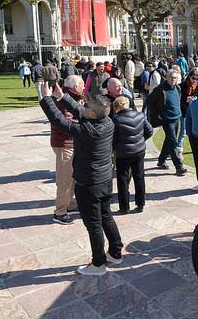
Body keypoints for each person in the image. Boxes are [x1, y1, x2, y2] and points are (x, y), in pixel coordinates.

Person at [39, 83, 123, 276]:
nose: (83, 107)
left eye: (87, 106)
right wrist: (62, 97)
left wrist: (46, 99)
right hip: (104, 180)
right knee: (106, 216)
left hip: (88, 185)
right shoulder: (108, 122)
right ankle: (116, 253)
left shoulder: (87, 131)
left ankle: (98, 264)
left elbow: (59, 121)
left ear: (93, 114)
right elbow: (80, 112)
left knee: (93, 224)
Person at [49, 75, 85, 225]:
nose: (84, 88)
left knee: (72, 177)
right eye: (82, 85)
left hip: (71, 143)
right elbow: (65, 123)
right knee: (64, 180)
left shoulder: (71, 97)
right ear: (75, 87)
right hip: (65, 144)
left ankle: (69, 204)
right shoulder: (63, 99)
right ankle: (60, 212)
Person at [112, 96, 153, 214]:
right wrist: (140, 140)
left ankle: (124, 207)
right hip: (139, 152)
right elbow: (149, 130)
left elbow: (113, 139)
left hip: (123, 154)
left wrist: (115, 148)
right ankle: (141, 204)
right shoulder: (140, 115)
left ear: (116, 108)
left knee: (122, 179)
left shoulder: (116, 120)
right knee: (139, 177)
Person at [148, 69, 187, 175]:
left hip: (177, 118)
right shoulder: (160, 89)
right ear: (167, 77)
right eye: (172, 77)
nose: (173, 80)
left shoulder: (177, 88)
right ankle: (179, 167)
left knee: (169, 141)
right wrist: (157, 114)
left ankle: (161, 161)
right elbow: (149, 101)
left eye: (175, 78)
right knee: (173, 142)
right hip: (167, 120)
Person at [178, 70, 198, 155]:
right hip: (184, 111)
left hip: (195, 112)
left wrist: (195, 100)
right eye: (193, 78)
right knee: (183, 131)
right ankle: (179, 149)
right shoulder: (182, 86)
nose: (194, 80)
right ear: (189, 77)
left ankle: (196, 148)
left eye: (197, 78)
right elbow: (179, 99)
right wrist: (186, 100)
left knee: (195, 131)